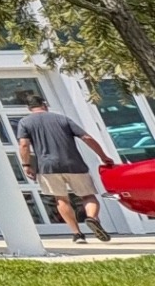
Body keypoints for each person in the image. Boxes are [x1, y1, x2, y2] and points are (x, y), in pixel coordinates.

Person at [15, 94, 116, 243]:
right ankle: (92, 218)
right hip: (74, 164)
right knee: (88, 195)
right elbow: (86, 138)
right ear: (45, 104)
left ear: (29, 108)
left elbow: (24, 145)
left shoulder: (25, 122)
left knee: (61, 199)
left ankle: (77, 234)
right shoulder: (62, 119)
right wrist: (103, 156)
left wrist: (26, 165)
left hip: (47, 167)